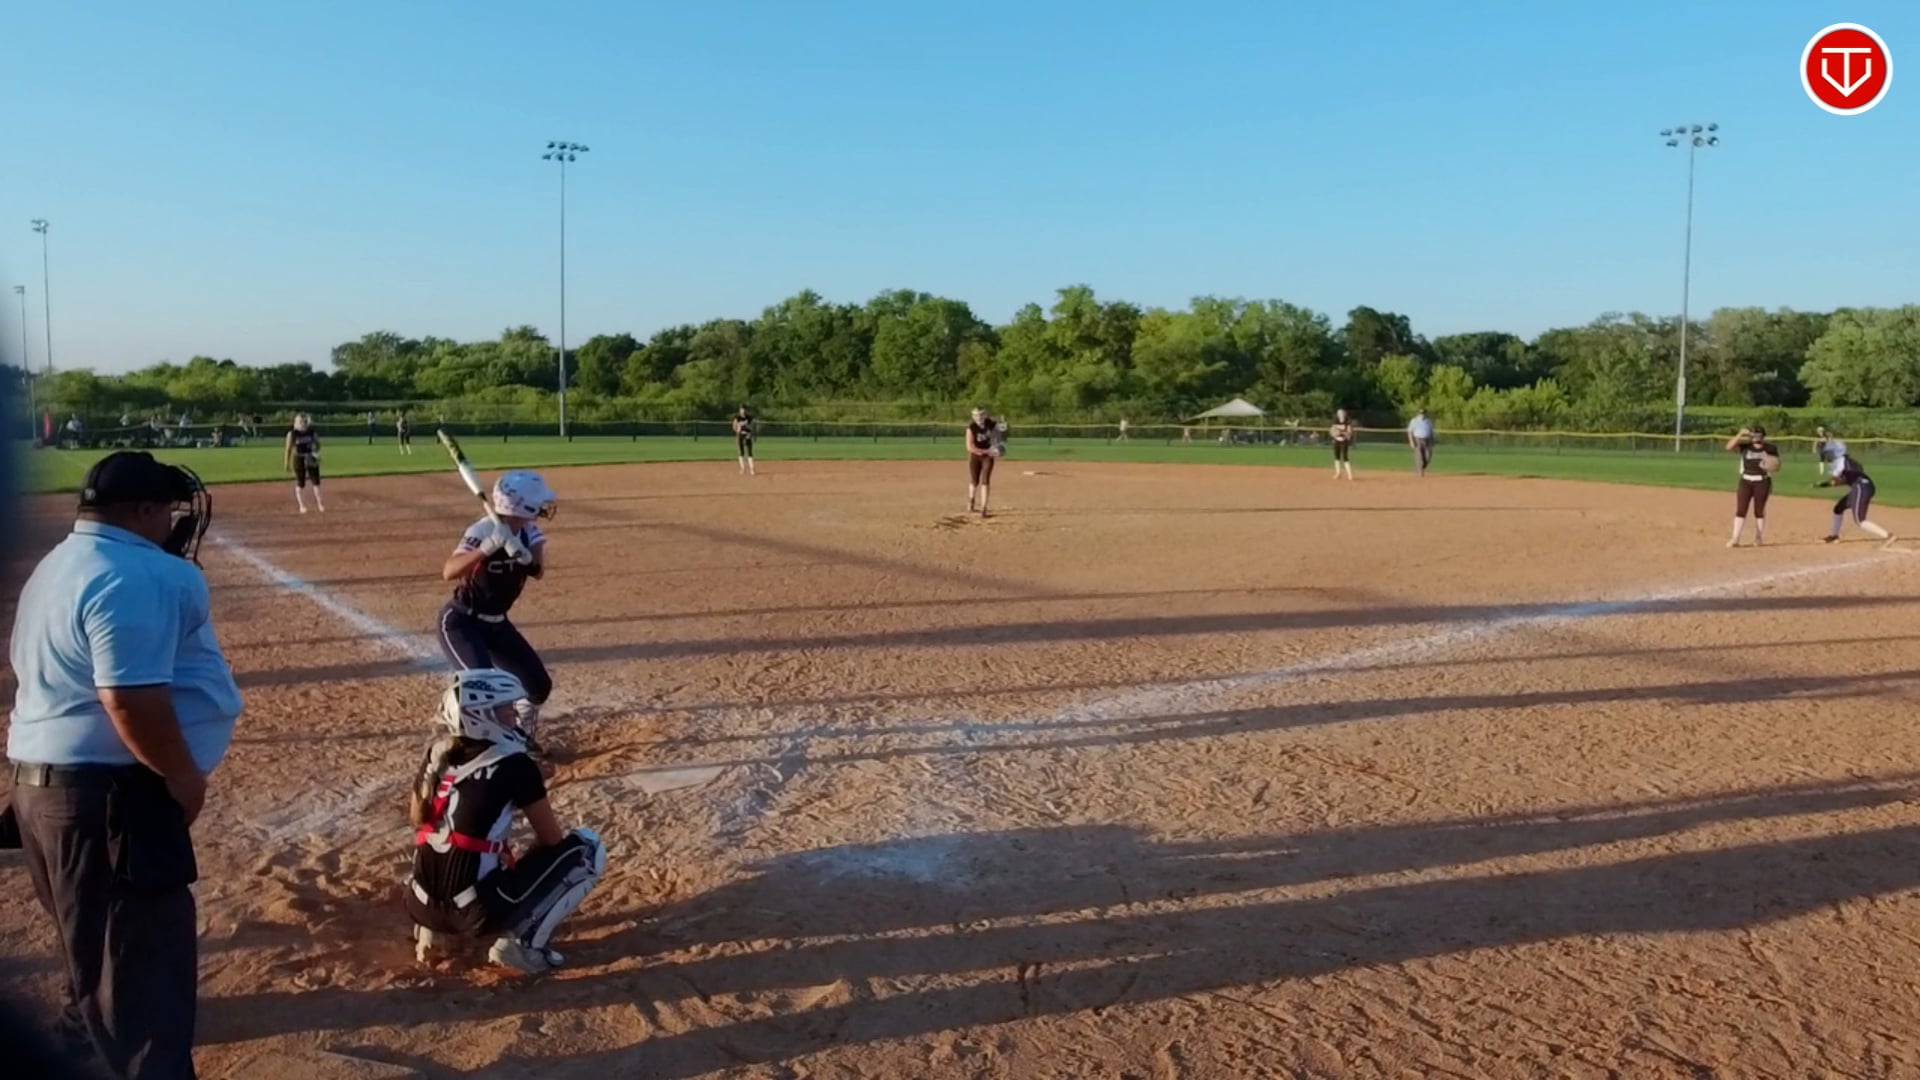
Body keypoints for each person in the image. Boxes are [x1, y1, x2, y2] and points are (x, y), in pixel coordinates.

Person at [7, 450, 234, 1079]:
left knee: (93, 972)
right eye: (165, 510)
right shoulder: (135, 572)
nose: (172, 523)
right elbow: (130, 698)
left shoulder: (57, 563)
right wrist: (181, 776)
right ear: (143, 509)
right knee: (143, 995)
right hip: (107, 802)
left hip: (46, 794)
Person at [406, 669, 605, 975]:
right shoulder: (515, 765)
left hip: (419, 903)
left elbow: (418, 818)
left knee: (446, 842)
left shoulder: (437, 754)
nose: (513, 715)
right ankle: (524, 945)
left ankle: (432, 933)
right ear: (479, 716)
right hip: (473, 911)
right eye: (503, 708)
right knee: (587, 849)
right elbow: (551, 839)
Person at [438, 470, 557, 752]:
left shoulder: (530, 531)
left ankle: (519, 733)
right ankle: (471, 749)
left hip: (497, 624)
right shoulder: (481, 531)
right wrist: (488, 547)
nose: (543, 506)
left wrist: (524, 556)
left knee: (538, 686)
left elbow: (538, 570)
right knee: (484, 694)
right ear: (523, 505)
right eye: (537, 502)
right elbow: (449, 571)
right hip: (462, 622)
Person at [1819, 450, 1895, 546]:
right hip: (1865, 486)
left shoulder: (1842, 464)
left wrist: (1824, 484)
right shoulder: (1851, 463)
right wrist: (1826, 484)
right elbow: (1844, 479)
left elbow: (1837, 480)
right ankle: (1834, 536)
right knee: (1838, 508)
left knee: (1860, 520)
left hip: (1860, 487)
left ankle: (1887, 536)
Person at [1724, 425, 1780, 547]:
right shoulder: (1746, 446)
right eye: (1754, 435)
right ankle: (1735, 538)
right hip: (1746, 480)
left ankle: (1758, 538)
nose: (1756, 438)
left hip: (1762, 481)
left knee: (1759, 510)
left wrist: (1771, 465)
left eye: (1759, 435)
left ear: (1763, 436)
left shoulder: (1770, 448)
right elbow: (1728, 447)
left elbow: (1776, 464)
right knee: (1741, 509)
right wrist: (1740, 434)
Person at [283, 413, 324, 513]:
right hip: (299, 458)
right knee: (300, 482)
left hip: (310, 457)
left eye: (305, 421)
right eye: (301, 422)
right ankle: (302, 506)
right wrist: (286, 463)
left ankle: (320, 504)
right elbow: (288, 449)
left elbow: (318, 444)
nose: (303, 423)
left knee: (316, 481)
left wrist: (315, 452)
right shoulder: (292, 434)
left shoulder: (311, 432)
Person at [965, 407, 1002, 516]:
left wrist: (997, 449)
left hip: (988, 457)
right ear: (973, 417)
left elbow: (999, 439)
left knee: (985, 480)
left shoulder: (992, 425)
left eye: (981, 415)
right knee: (974, 480)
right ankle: (971, 500)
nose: (979, 417)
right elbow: (969, 447)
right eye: (976, 415)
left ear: (985, 415)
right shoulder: (971, 428)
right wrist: (985, 451)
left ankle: (983, 508)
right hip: (975, 456)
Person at [1406, 409, 1434, 476]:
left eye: (1423, 413)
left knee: (1428, 456)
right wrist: (1411, 441)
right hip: (1417, 440)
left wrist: (1432, 441)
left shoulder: (1428, 421)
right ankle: (1420, 471)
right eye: (1421, 413)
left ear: (1426, 414)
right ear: (1418, 414)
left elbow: (1431, 432)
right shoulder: (1414, 420)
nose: (1422, 415)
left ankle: (1420, 468)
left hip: (1427, 440)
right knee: (1419, 456)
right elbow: (1410, 432)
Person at [1330, 408, 1355, 480]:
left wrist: (1341, 432)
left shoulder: (1347, 420)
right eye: (1338, 413)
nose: (1340, 414)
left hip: (1344, 440)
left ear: (1344, 414)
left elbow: (1349, 432)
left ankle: (1349, 475)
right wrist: (1335, 434)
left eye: (1341, 413)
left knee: (1345, 457)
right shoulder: (1336, 420)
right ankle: (1338, 473)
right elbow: (1332, 430)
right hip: (1337, 440)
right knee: (1337, 457)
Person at [732, 405, 756, 476]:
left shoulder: (749, 417)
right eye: (742, 410)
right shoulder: (737, 417)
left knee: (749, 452)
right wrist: (737, 431)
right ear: (740, 411)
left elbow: (752, 426)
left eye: (744, 410)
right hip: (740, 436)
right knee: (741, 452)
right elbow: (734, 426)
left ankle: (752, 469)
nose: (743, 411)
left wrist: (751, 434)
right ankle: (742, 468)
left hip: (747, 435)